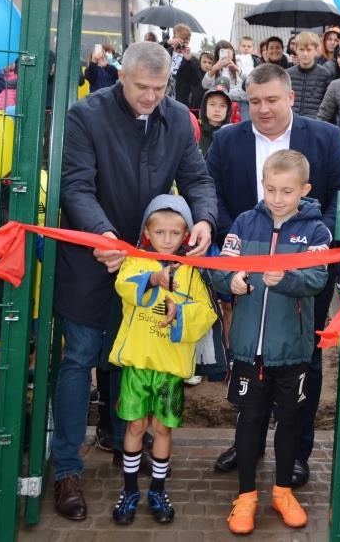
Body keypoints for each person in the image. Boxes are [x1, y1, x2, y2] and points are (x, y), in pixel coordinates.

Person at [51, 41, 217, 522]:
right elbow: (75, 185)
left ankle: (132, 442)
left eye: (159, 88)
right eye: (141, 87)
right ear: (121, 76)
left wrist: (203, 218)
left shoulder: (176, 118)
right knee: (80, 358)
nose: (150, 97)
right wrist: (101, 233)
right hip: (93, 261)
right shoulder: (86, 115)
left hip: (151, 267)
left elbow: (198, 179)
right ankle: (66, 468)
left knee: (133, 358)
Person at [205, 64, 340, 488]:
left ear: (290, 98)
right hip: (246, 270)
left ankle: (297, 452)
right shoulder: (228, 139)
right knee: (247, 355)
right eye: (254, 101)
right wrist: (243, 240)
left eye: (271, 100)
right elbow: (212, 191)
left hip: (305, 269)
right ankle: (246, 443)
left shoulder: (322, 137)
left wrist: (309, 245)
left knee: (304, 359)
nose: (263, 109)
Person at [212, 150, 331, 535]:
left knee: (290, 421)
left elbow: (317, 279)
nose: (277, 198)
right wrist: (228, 283)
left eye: (287, 190)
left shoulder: (316, 231)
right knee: (248, 421)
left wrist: (290, 280)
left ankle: (282, 491)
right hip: (248, 346)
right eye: (270, 189)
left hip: (292, 350)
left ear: (304, 189)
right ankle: (246, 496)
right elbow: (220, 269)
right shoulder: (245, 223)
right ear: (262, 185)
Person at [109, 195, 216, 526]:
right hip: (138, 364)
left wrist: (179, 313)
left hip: (170, 370)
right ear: (147, 232)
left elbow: (207, 312)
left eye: (175, 233)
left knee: (162, 429)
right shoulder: (135, 262)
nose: (167, 240)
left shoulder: (192, 272)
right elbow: (123, 287)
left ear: (186, 235)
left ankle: (157, 490)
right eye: (160, 233)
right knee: (135, 426)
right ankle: (129, 491)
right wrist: (153, 280)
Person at [286, 31, 335, 120]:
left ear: (315, 50)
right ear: (296, 49)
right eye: (301, 49)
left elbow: (328, 105)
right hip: (291, 121)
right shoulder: (287, 74)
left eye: (309, 50)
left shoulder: (326, 74)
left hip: (315, 123)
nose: (305, 54)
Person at [197, 89, 232, 155]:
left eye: (222, 105)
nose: (217, 110)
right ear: (204, 107)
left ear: (228, 109)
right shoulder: (194, 130)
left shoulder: (232, 135)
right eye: (212, 104)